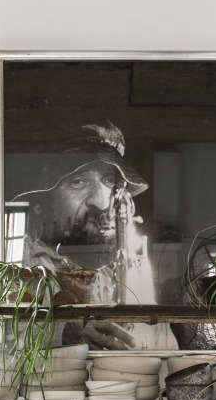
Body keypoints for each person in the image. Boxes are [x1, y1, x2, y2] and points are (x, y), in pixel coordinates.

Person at [10, 123, 177, 351]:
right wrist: (61, 332)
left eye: (109, 181)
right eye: (78, 182)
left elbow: (165, 356)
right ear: (40, 202)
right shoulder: (16, 269)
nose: (102, 202)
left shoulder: (129, 270)